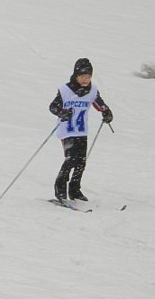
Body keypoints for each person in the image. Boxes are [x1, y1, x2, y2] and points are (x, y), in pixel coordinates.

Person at [48, 58, 114, 202]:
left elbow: (100, 104)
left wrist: (106, 112)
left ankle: (75, 190)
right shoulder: (65, 90)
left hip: (82, 131)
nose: (86, 79)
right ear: (76, 75)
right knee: (71, 159)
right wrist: (61, 112)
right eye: (82, 76)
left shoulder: (92, 91)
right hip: (67, 131)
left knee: (81, 162)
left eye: (89, 76)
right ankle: (60, 188)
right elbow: (53, 106)